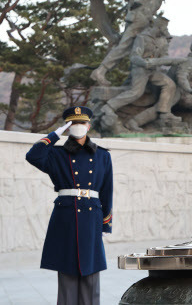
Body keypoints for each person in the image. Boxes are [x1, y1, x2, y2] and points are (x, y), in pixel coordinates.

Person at [25, 106, 113, 305]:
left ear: (89, 126)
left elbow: (107, 191)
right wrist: (55, 134)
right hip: (66, 217)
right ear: (67, 127)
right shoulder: (56, 154)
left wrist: (106, 224)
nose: (78, 127)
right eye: (73, 123)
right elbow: (33, 156)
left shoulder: (102, 156)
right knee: (67, 272)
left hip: (92, 216)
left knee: (91, 273)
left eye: (81, 123)